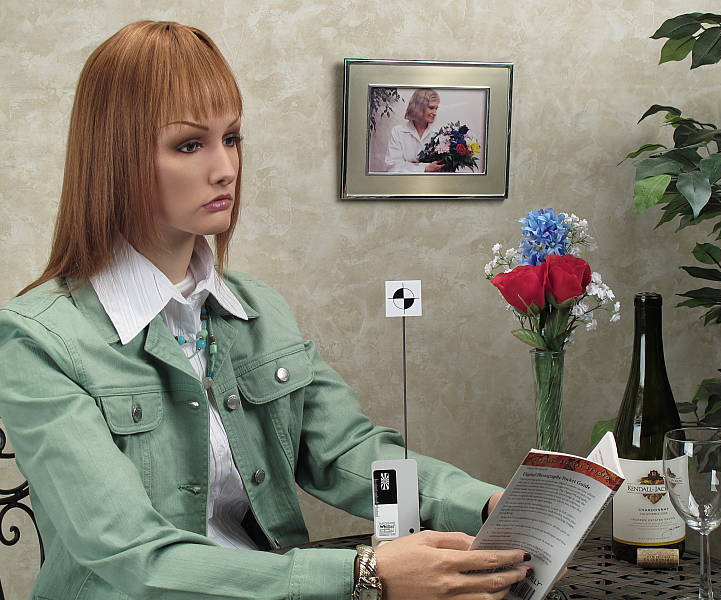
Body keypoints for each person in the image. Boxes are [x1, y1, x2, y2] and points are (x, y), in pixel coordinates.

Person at [0, 21, 531, 599]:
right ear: (114, 157)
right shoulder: (37, 341)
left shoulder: (258, 308)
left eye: (231, 138)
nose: (226, 168)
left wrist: (484, 504)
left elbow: (347, 453)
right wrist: (367, 576)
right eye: (189, 144)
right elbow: (133, 556)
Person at [384, 88, 445, 173]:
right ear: (419, 107)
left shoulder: (440, 133)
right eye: (431, 108)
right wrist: (425, 168)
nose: (435, 113)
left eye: (436, 108)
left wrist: (410, 165)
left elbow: (442, 166)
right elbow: (392, 168)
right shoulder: (398, 132)